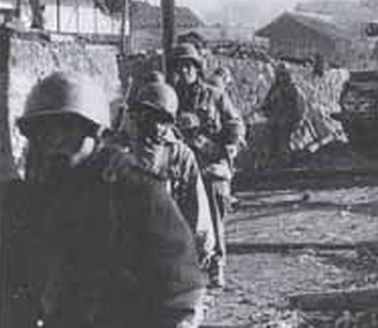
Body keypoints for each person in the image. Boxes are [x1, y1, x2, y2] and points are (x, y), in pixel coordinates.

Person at [0, 72, 206, 328]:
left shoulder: (136, 191)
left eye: (68, 128)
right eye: (43, 131)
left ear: (94, 132)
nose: (55, 141)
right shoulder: (26, 199)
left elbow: (181, 293)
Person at [170, 43, 246, 289]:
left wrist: (229, 144)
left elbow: (235, 124)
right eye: (179, 66)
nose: (183, 71)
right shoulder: (170, 97)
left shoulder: (214, 95)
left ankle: (216, 264)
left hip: (208, 164)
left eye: (188, 66)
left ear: (196, 68)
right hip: (179, 165)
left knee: (212, 208)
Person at [129, 80, 215, 271]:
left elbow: (196, 203)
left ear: (170, 122)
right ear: (139, 117)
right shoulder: (122, 151)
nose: (155, 126)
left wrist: (201, 246)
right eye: (149, 117)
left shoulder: (180, 155)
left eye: (162, 120)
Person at [260, 63, 305, 167]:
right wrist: (266, 108)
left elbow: (300, 106)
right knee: (266, 135)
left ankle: (285, 161)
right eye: (279, 75)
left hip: (287, 120)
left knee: (284, 139)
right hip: (275, 119)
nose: (281, 78)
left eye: (284, 75)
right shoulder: (274, 89)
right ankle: (266, 160)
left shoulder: (294, 89)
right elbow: (266, 103)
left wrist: (297, 120)